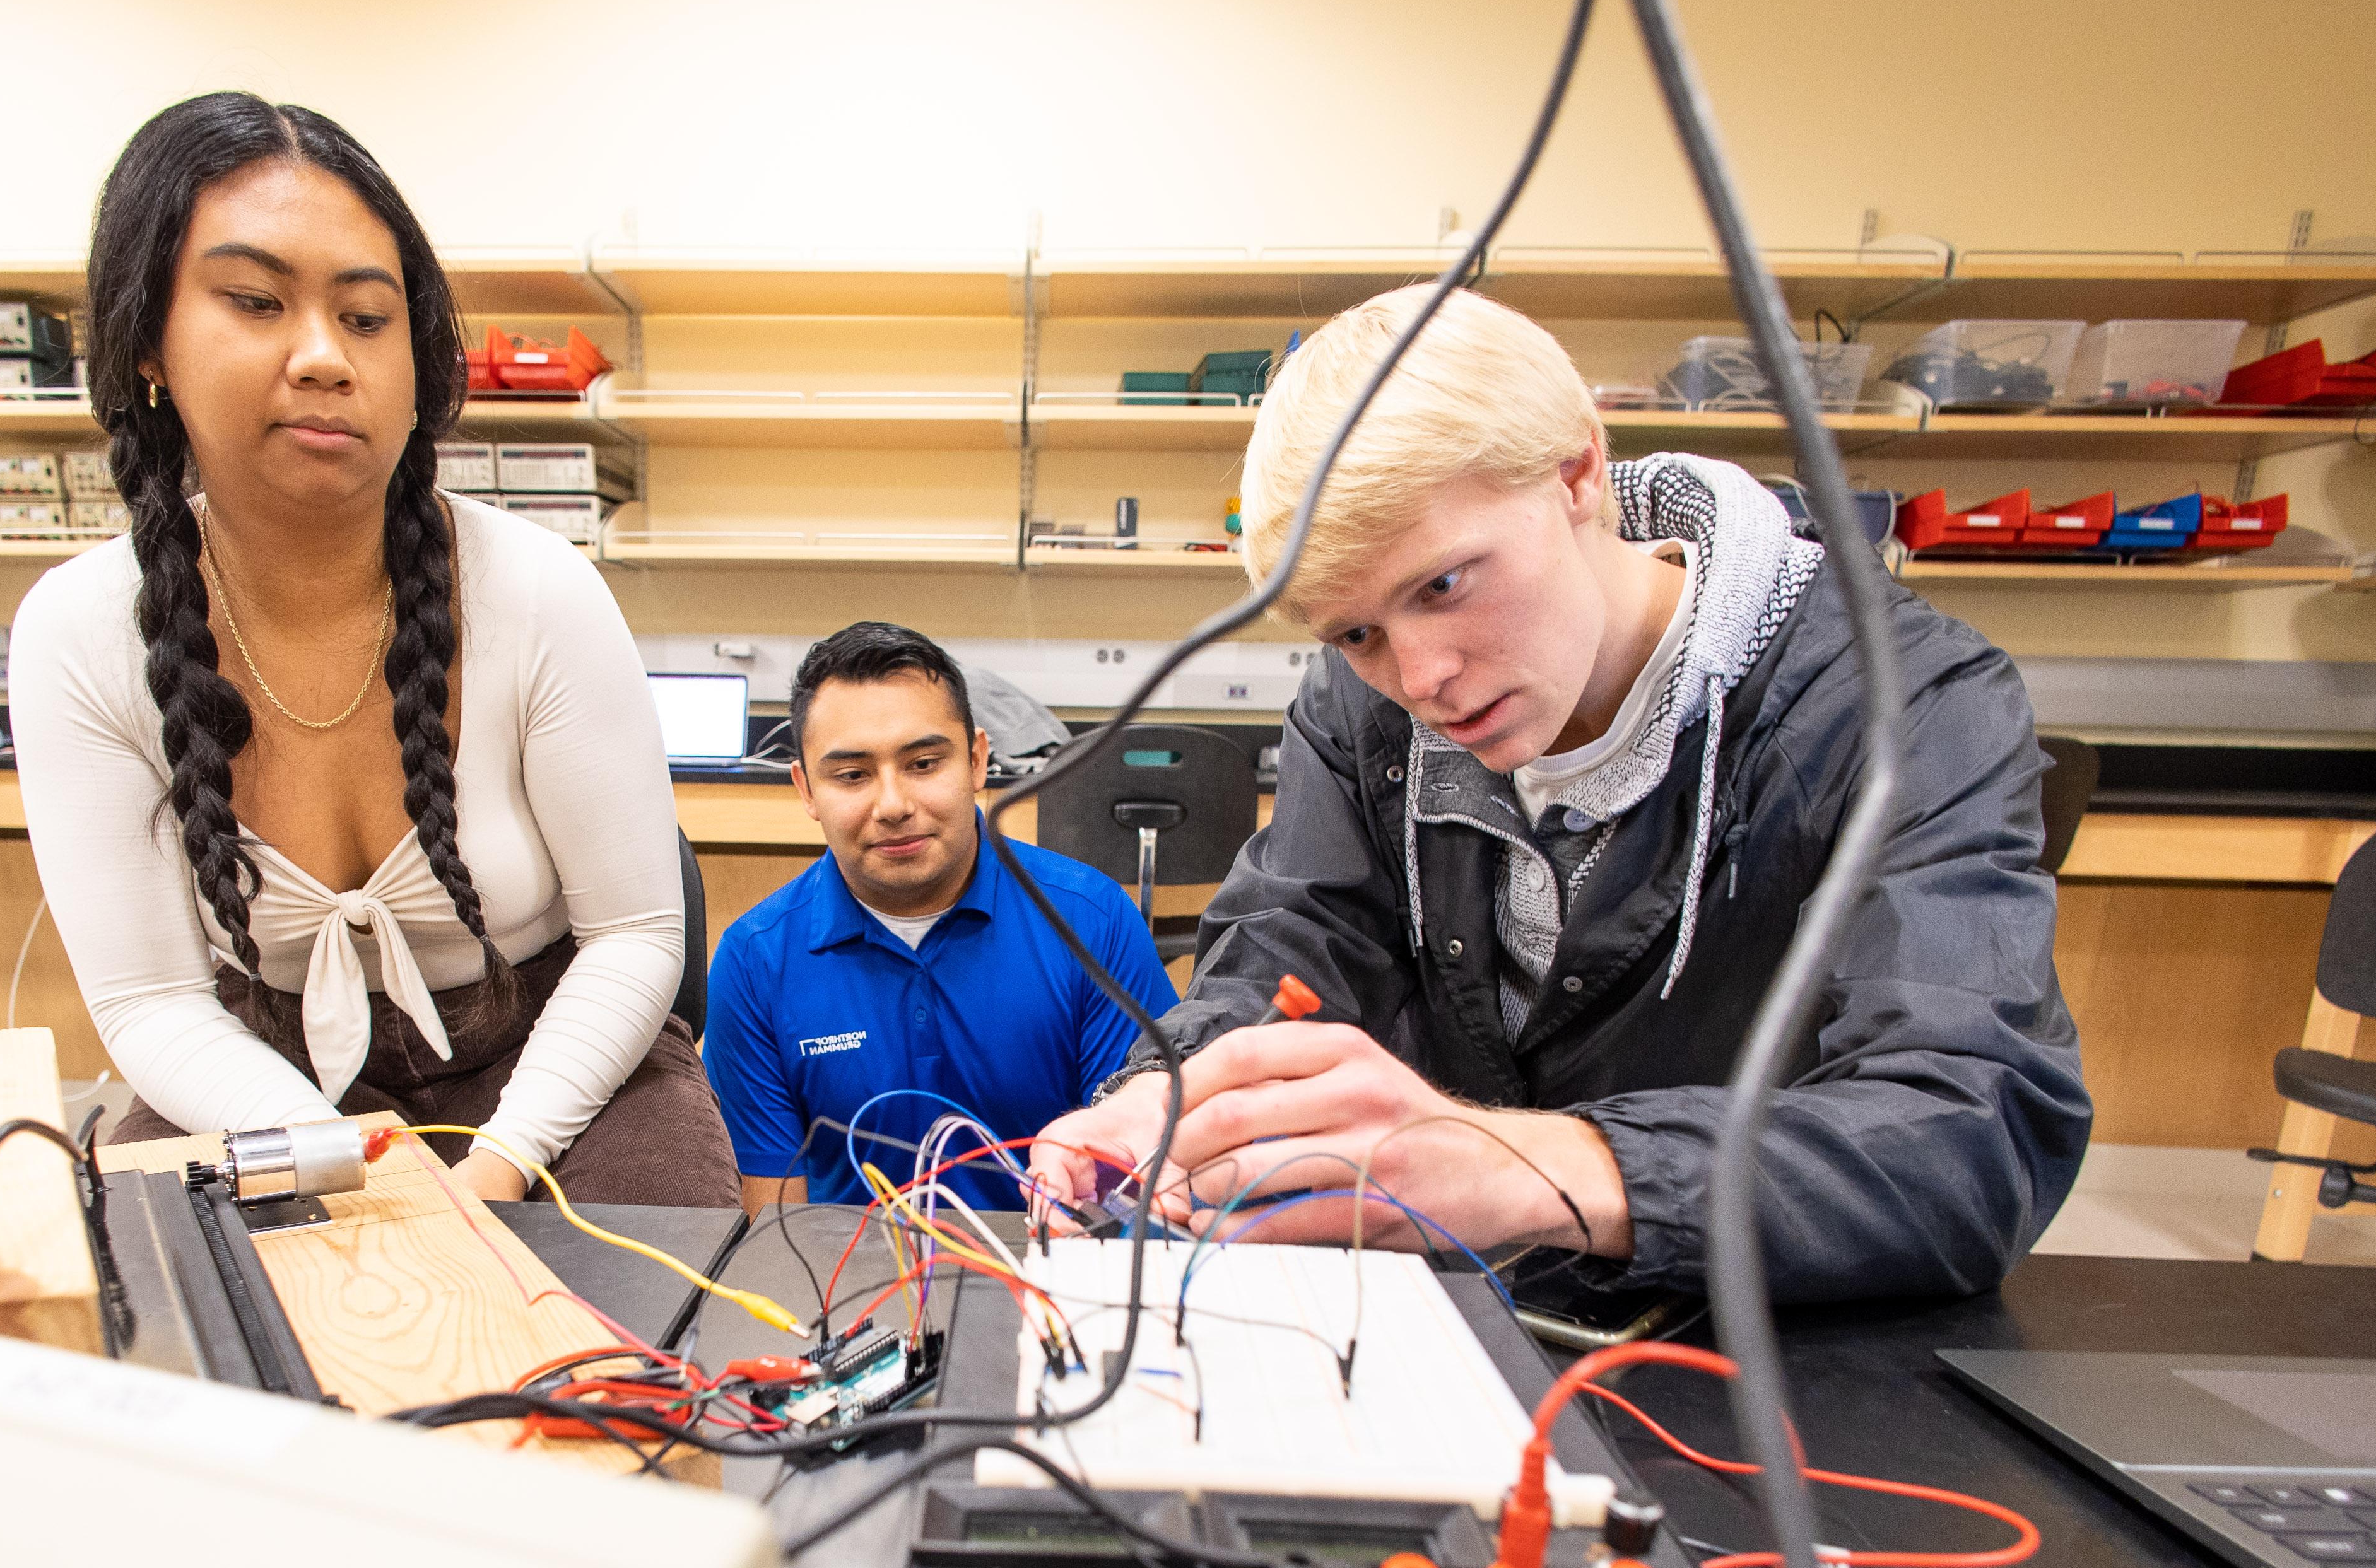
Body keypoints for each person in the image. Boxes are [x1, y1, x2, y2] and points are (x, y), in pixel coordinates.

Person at [1028, 288, 2090, 1307]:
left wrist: (1511, 1163)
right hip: (1452, 1313)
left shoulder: (1901, 706)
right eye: (1355, 634)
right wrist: (1177, 1098)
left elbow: (1970, 1133)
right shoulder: (1365, 708)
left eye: (1443, 584)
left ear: (1579, 471)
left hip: (1751, 1338)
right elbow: (1291, 947)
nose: (1420, 677)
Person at [13, 93, 734, 1207]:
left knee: (625, 1341)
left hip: (554, 1072)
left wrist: (495, 1165)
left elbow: (635, 937)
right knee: (183, 1333)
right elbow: (152, 1002)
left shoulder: (538, 593)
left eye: (365, 317)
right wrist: (356, 1167)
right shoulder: (79, 634)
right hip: (249, 1080)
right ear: (148, 340)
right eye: (254, 302)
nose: (322, 358)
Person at [702, 621, 1177, 1214]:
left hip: (1050, 1274)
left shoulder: (1091, 923)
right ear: (805, 789)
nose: (895, 805)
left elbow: (1125, 1186)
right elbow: (773, 1226)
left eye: (924, 764)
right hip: (846, 1290)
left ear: (978, 761)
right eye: (851, 775)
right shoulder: (753, 962)